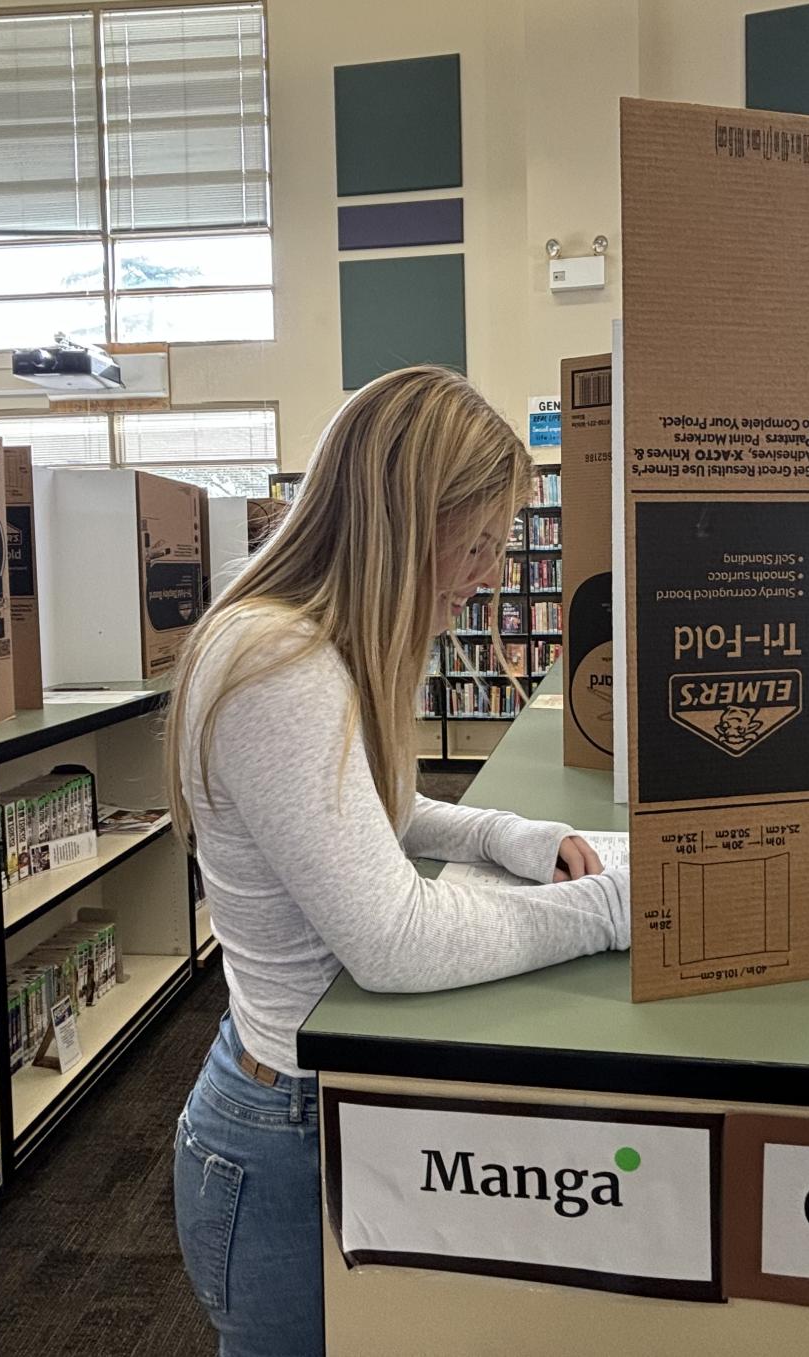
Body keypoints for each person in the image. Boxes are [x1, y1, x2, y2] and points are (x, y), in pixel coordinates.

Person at [168, 366, 632, 1356]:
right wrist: (617, 907)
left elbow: (376, 810)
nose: (492, 573)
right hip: (283, 1133)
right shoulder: (279, 664)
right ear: (407, 520)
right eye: (478, 542)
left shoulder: (317, 646)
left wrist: (508, 835)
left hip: (305, 1109)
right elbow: (394, 941)